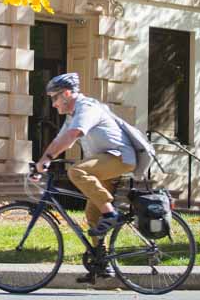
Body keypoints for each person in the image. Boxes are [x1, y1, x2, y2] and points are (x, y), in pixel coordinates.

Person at [33, 72, 136, 282]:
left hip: (119, 158)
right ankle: (102, 264)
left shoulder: (86, 108)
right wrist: (43, 160)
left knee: (77, 171)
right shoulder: (72, 115)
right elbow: (61, 139)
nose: (53, 104)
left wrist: (47, 158)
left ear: (68, 93)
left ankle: (112, 215)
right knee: (92, 216)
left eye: (55, 98)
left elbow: (72, 137)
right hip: (105, 161)